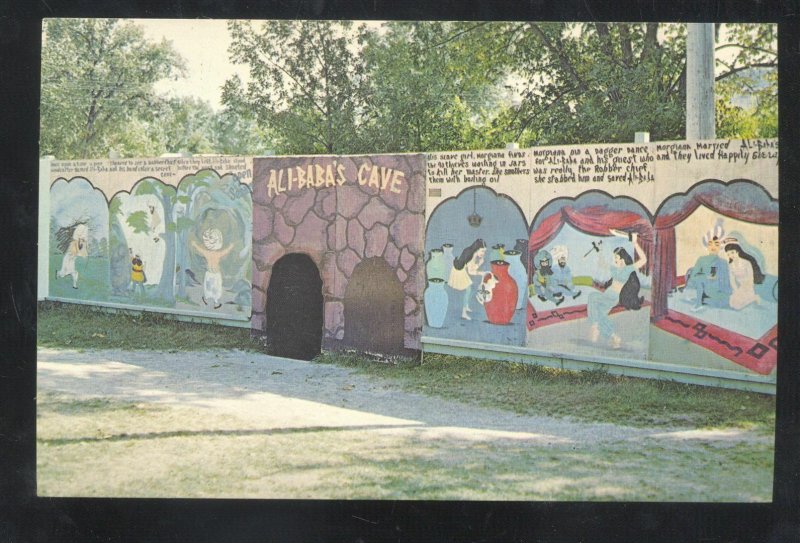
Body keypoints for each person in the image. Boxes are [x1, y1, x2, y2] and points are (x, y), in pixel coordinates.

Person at [587, 229, 647, 349]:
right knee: (600, 315)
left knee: (592, 297)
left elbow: (644, 260)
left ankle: (594, 327)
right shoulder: (615, 269)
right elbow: (602, 263)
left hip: (613, 296)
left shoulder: (627, 269)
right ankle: (614, 337)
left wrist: (635, 243)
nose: (615, 261)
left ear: (623, 259)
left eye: (617, 259)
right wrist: (599, 250)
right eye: (614, 259)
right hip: (608, 294)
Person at [684, 220, 732, 311]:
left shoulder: (723, 262)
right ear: (707, 245)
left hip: (718, 292)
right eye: (710, 244)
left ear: (721, 247)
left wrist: (726, 293)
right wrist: (705, 277)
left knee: (722, 301)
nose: (713, 247)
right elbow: (693, 277)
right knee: (699, 279)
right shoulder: (701, 259)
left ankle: (704, 300)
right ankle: (699, 303)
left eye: (716, 244)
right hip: (703, 288)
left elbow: (726, 282)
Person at [190, 228, 234, 309]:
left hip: (213, 274)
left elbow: (201, 250)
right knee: (211, 287)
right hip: (212, 274)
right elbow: (225, 251)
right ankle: (210, 300)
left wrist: (195, 245)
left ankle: (213, 301)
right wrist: (230, 247)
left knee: (213, 288)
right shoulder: (214, 253)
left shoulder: (211, 253)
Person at [448, 239, 487, 320]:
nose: (483, 254)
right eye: (482, 251)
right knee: (468, 290)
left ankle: (467, 306)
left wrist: (478, 264)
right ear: (477, 249)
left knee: (470, 289)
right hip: (459, 272)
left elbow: (471, 267)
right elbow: (471, 271)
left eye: (484, 251)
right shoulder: (472, 255)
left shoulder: (470, 251)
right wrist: (481, 271)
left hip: (459, 269)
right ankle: (464, 313)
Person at [724, 240, 764, 310]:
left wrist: (747, 288)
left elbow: (751, 278)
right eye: (728, 254)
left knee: (738, 306)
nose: (731, 255)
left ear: (737, 251)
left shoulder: (746, 263)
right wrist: (736, 290)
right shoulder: (730, 265)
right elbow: (732, 280)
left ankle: (754, 297)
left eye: (732, 252)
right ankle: (752, 298)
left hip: (749, 287)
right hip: (740, 287)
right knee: (731, 303)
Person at [56, 223, 88, 289]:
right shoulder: (74, 243)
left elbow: (81, 250)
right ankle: (58, 273)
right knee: (63, 273)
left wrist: (83, 254)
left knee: (74, 273)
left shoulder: (80, 242)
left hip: (71, 261)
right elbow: (74, 252)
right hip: (67, 260)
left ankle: (74, 285)